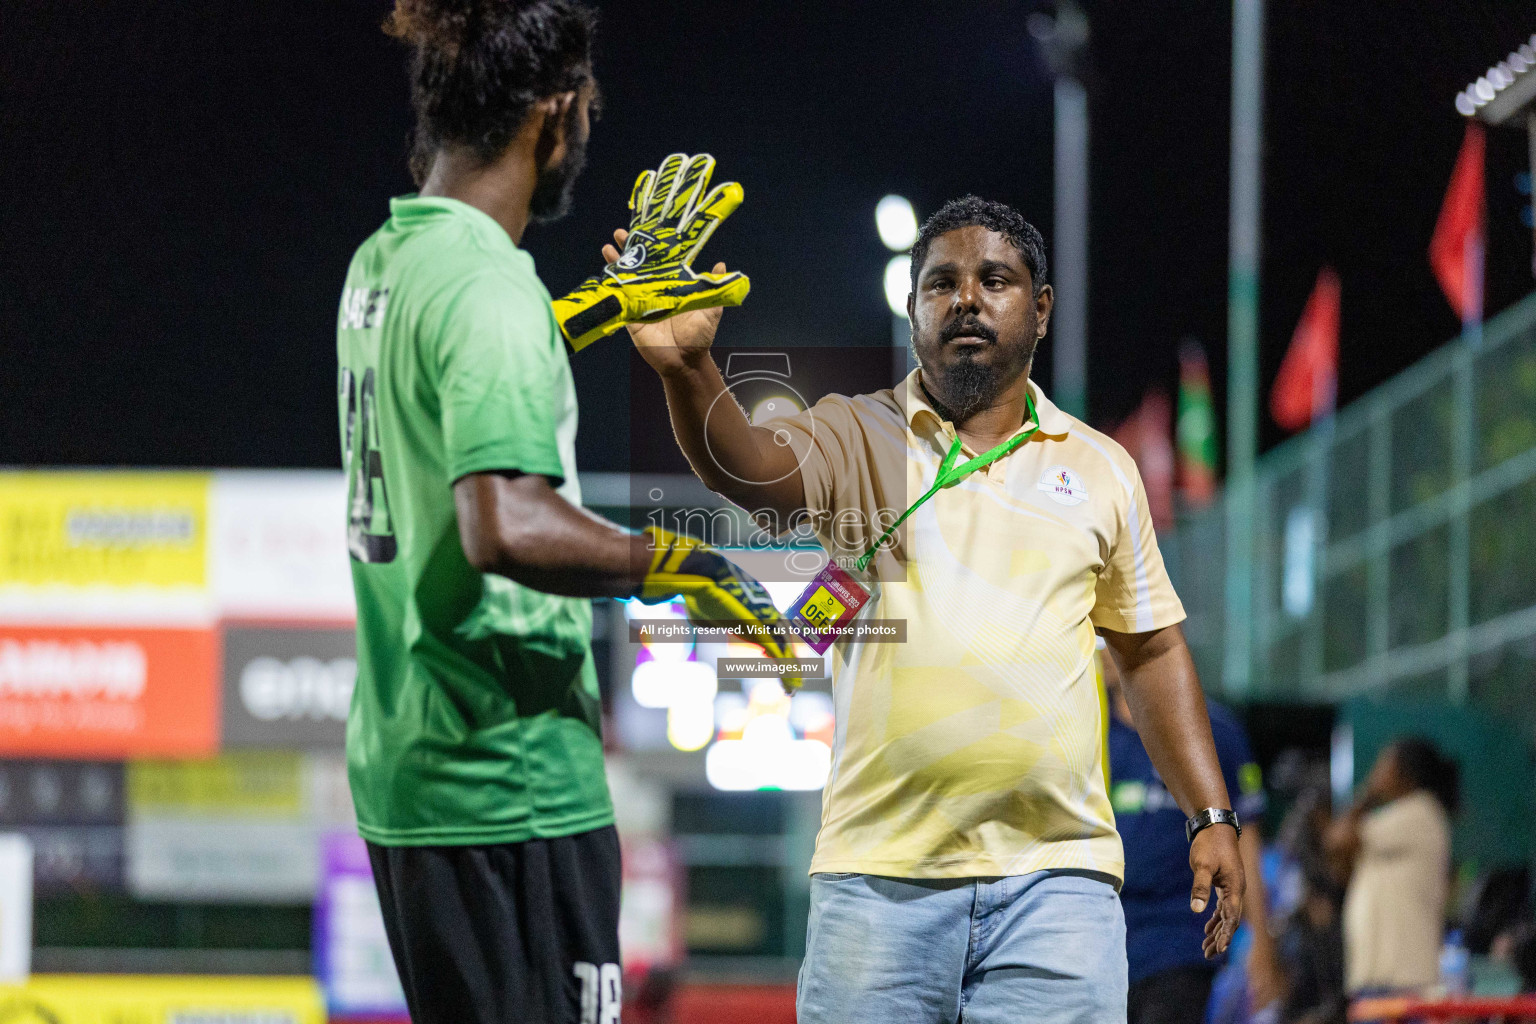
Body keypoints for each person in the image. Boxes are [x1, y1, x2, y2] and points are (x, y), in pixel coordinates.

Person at [611, 196, 1247, 1023]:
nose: (967, 299)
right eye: (940, 283)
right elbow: (750, 469)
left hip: (1057, 890)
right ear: (913, 310)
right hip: (878, 883)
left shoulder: (1101, 469)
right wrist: (688, 370)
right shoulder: (857, 432)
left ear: (1041, 308)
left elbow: (1151, 651)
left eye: (995, 279)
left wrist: (1210, 815)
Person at [338, 4, 788, 1021]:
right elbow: (504, 521)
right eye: (587, 104)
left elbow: (474, 356)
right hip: (512, 783)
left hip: (416, 774)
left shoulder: (391, 261)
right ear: (554, 111)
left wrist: (602, 302)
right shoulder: (486, 288)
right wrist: (679, 564)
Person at [1102, 640, 1283, 1024]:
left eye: (1111, 637)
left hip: (1180, 941)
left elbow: (1244, 838)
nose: (1101, 650)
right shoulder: (1087, 733)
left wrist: (1262, 944)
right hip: (1102, 942)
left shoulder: (1214, 732)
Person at [1325, 737, 1459, 996]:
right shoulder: (1395, 819)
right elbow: (1338, 862)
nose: (1377, 771)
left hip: (1404, 980)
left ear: (1404, 771)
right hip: (1379, 979)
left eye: (1385, 764)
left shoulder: (1421, 812)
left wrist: (1367, 793)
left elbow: (1337, 839)